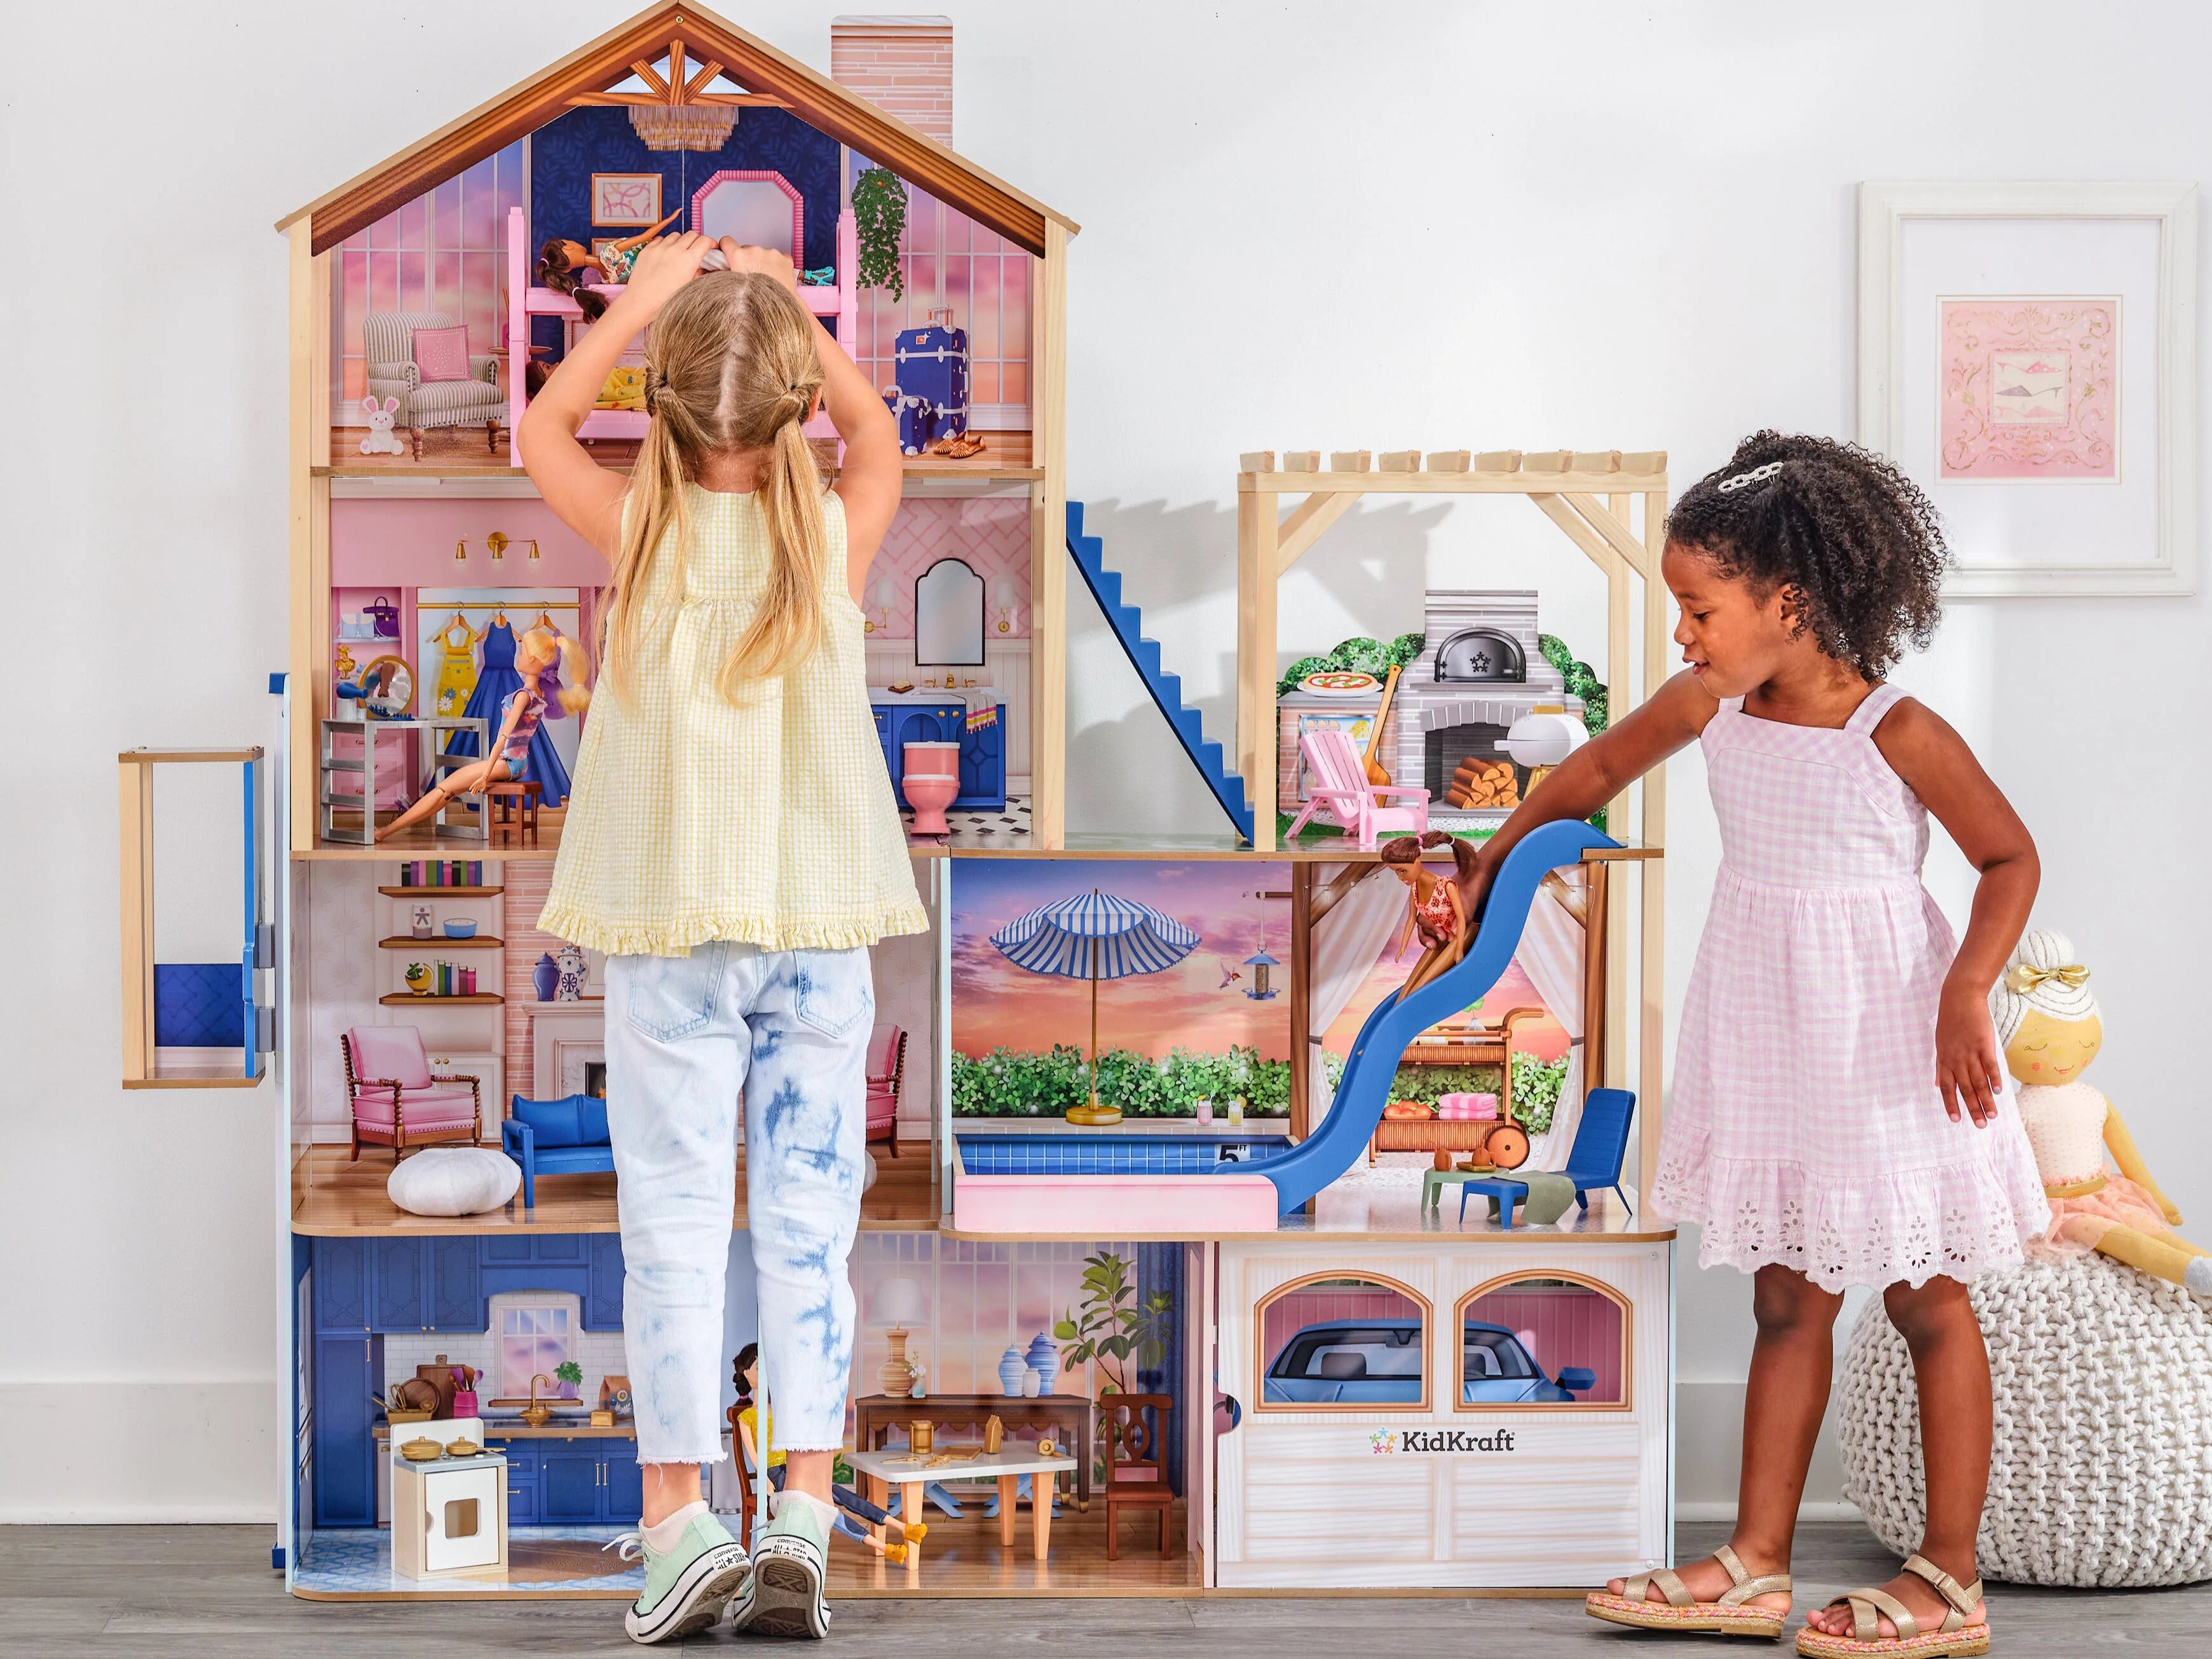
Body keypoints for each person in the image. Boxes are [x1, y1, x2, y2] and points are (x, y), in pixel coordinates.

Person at [1463, 434, 2046, 1656]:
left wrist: (1967, 990)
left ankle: (1951, 1578)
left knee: (1928, 1297)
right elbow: (1594, 771)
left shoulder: (1896, 728)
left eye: (1699, 609)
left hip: (1889, 1035)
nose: (1683, 634)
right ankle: (1755, 1563)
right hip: (1770, 1030)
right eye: (1679, 609)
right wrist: (1493, 862)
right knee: (1786, 1298)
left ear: (1789, 601)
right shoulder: (1713, 706)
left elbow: (2008, 857)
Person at [521, 228, 920, 1643]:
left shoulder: (642, 528)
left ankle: (680, 1526)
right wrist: (803, 321)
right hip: (818, 934)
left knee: (675, 1235)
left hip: (672, 931)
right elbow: (877, 433)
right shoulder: (836, 533)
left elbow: (541, 427)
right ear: (800, 398)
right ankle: (801, 1512)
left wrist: (637, 303)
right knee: (813, 1236)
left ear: (670, 405)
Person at [372, 625, 584, 842]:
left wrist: (485, 776)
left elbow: (503, 738)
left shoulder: (523, 696)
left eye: (522, 653)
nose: (518, 656)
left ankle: (385, 832)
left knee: (443, 788)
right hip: (519, 763)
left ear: (533, 660)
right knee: (446, 792)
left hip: (509, 763)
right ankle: (390, 831)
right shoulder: (538, 694)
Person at [730, 1344, 925, 1564]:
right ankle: (885, 1548)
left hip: (796, 1466)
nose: (765, 1372)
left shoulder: (780, 1409)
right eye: (759, 1367)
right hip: (776, 1475)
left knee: (838, 1492)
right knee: (824, 1506)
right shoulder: (746, 1418)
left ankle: (904, 1528)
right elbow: (754, 1455)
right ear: (746, 1373)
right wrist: (765, 1478)